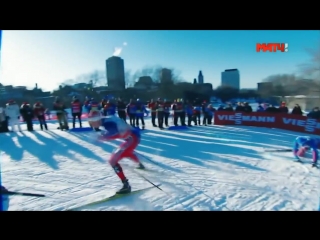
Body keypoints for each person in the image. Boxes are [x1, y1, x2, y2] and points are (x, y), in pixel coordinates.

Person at [89, 115, 145, 194]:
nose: (92, 125)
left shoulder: (108, 123)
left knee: (113, 161)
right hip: (132, 138)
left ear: (97, 120)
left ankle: (126, 186)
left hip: (132, 139)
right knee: (126, 153)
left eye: (92, 123)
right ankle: (139, 164)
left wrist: (103, 137)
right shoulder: (106, 121)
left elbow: (115, 133)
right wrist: (104, 136)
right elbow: (117, 131)